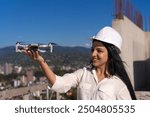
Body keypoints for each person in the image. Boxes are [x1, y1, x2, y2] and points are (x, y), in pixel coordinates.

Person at [23, 26, 137, 100]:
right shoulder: (83, 74)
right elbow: (59, 84)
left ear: (111, 54)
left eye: (99, 51)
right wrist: (41, 61)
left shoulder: (119, 85)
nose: (93, 54)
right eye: (92, 49)